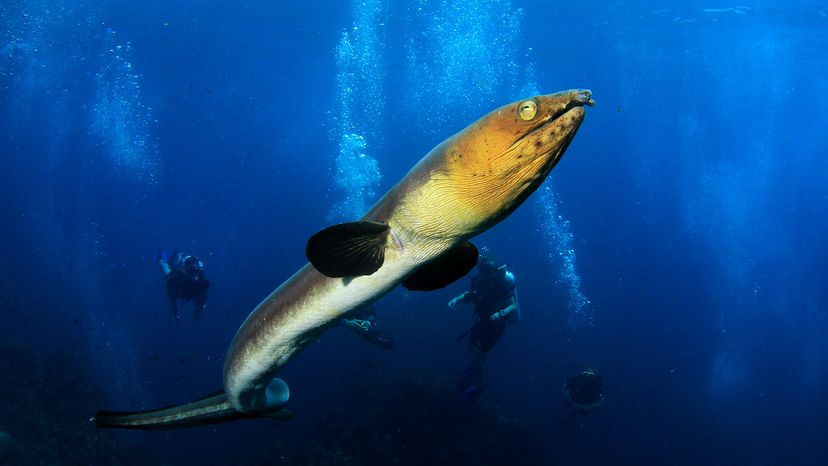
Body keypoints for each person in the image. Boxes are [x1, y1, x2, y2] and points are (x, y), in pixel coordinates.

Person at [449, 255, 520, 400]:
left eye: (489, 271)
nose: (487, 274)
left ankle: (478, 386)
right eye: (484, 271)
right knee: (471, 349)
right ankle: (475, 367)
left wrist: (501, 314)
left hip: (495, 326)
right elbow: (472, 295)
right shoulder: (478, 281)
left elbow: (512, 305)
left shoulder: (501, 284)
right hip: (482, 321)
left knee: (476, 356)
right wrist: (456, 299)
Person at [155, 249, 210, 320]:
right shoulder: (178, 276)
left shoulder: (201, 279)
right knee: (167, 270)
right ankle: (164, 259)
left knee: (168, 270)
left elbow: (203, 299)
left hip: (184, 287)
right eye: (191, 270)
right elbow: (171, 296)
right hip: (178, 281)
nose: (192, 274)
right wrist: (175, 313)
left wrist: (198, 312)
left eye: (194, 271)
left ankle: (177, 256)